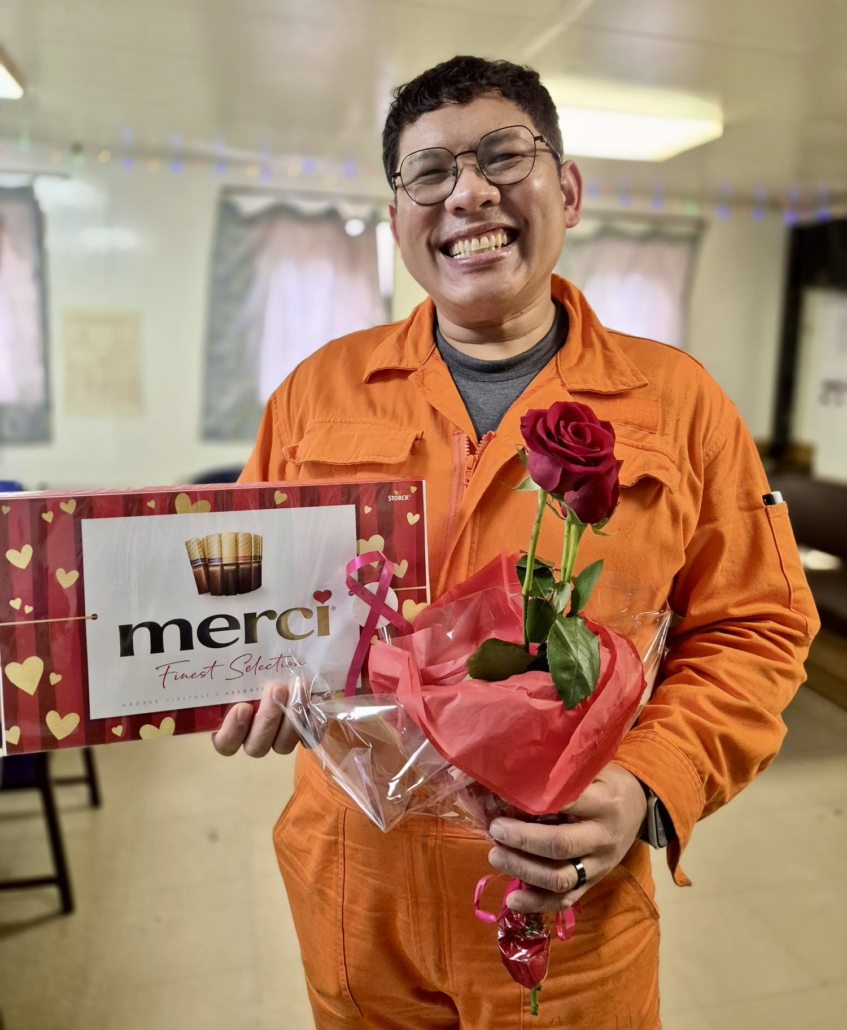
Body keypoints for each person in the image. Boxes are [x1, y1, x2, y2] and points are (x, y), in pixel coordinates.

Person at [213, 56, 819, 1028]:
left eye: (502, 156)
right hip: (351, 880)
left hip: (560, 888)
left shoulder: (678, 404)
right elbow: (246, 608)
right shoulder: (315, 392)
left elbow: (756, 626)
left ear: (566, 190)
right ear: (398, 217)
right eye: (429, 173)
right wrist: (245, 683)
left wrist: (647, 783)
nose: (468, 194)